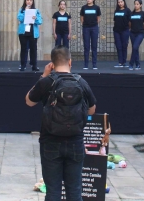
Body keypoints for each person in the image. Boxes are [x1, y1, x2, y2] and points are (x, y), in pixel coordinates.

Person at [26, 46, 97, 201]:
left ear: (52, 64)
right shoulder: (81, 82)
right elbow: (92, 110)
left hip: (50, 141)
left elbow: (29, 101)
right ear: (70, 62)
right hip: (75, 141)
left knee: (53, 192)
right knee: (75, 191)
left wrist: (43, 76)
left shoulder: (47, 82)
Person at [18, 0, 43, 72]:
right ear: (25, 1)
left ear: (33, 2)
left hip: (33, 32)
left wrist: (35, 18)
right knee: (24, 49)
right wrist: (26, 11)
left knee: (33, 49)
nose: (29, 1)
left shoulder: (36, 11)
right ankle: (23, 65)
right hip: (23, 32)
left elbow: (40, 21)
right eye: (27, 0)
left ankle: (34, 65)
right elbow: (19, 18)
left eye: (30, 0)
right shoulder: (22, 10)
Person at [80, 0, 101, 70]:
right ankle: (86, 64)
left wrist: (95, 24)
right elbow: (82, 18)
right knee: (86, 46)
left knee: (94, 46)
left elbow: (98, 18)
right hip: (86, 28)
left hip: (94, 28)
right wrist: (85, 25)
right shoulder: (84, 8)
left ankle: (94, 64)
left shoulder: (96, 8)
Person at [128, 0, 144, 71]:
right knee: (135, 49)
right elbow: (129, 23)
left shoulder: (143, 14)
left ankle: (131, 64)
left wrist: (142, 30)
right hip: (132, 33)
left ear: (140, 5)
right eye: (135, 4)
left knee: (135, 47)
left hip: (140, 33)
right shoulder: (131, 14)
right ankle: (137, 64)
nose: (136, 5)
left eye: (137, 4)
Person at [113, 0, 131, 68]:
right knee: (118, 46)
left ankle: (124, 62)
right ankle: (120, 62)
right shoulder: (116, 11)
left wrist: (127, 28)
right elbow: (115, 20)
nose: (120, 3)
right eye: (119, 2)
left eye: (121, 2)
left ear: (124, 2)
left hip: (125, 31)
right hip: (117, 31)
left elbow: (130, 22)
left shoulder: (127, 10)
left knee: (124, 46)